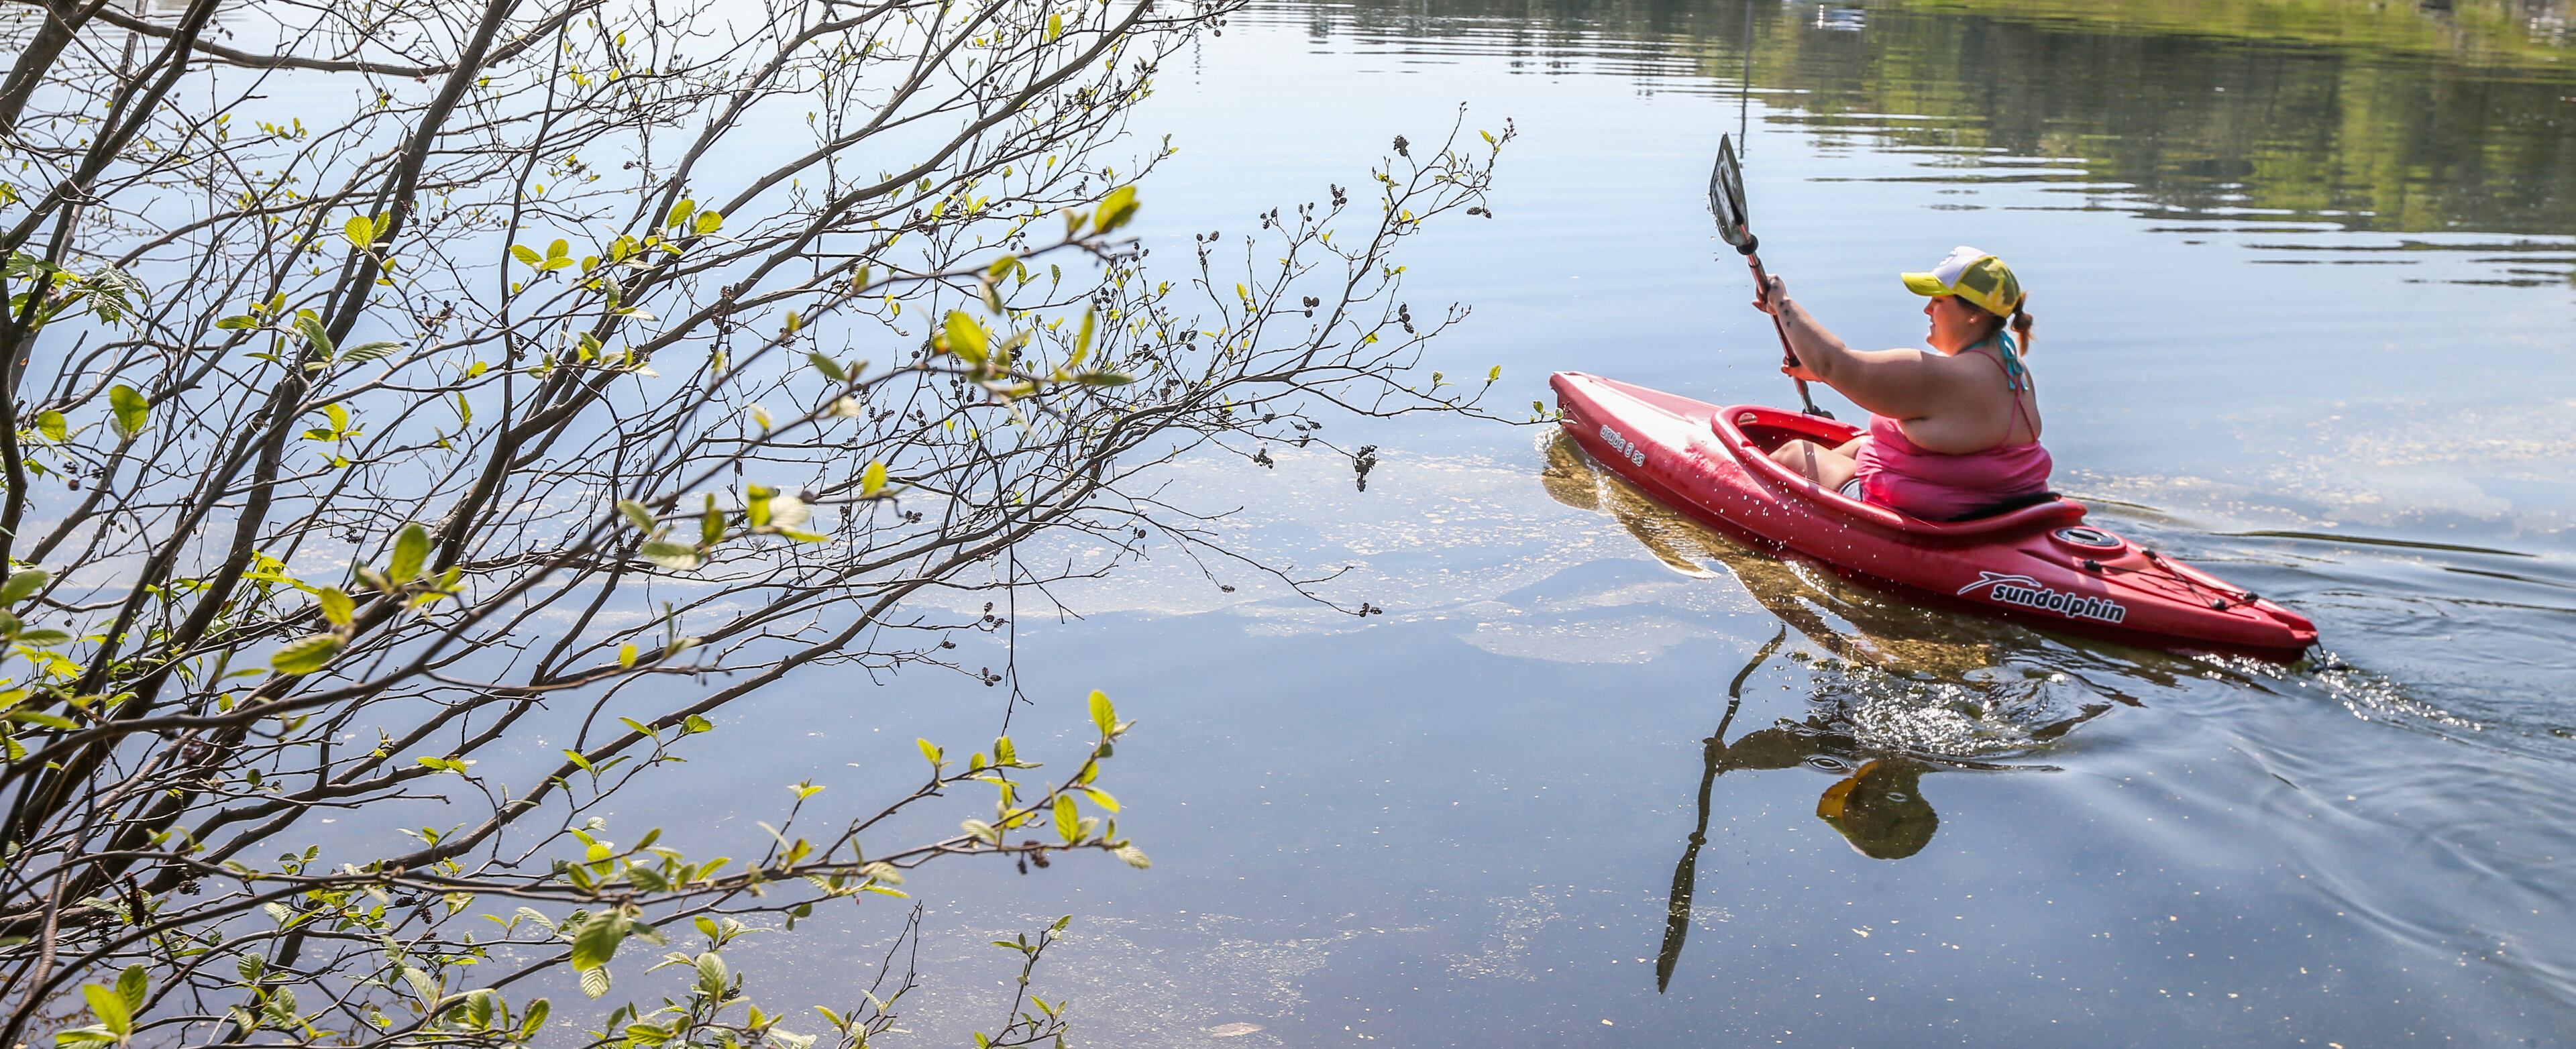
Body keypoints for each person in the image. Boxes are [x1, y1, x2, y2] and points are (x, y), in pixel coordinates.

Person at [1755, 245, 2050, 521]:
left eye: (1938, 301)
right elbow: (1838, 372)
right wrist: (1823, 373)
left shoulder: (1936, 377)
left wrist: (1781, 301)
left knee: (1794, 453)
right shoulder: (2014, 369)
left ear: (1975, 315)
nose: (1927, 310)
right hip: (2004, 509)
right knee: (1860, 444)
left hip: (1935, 523)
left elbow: (1833, 363)